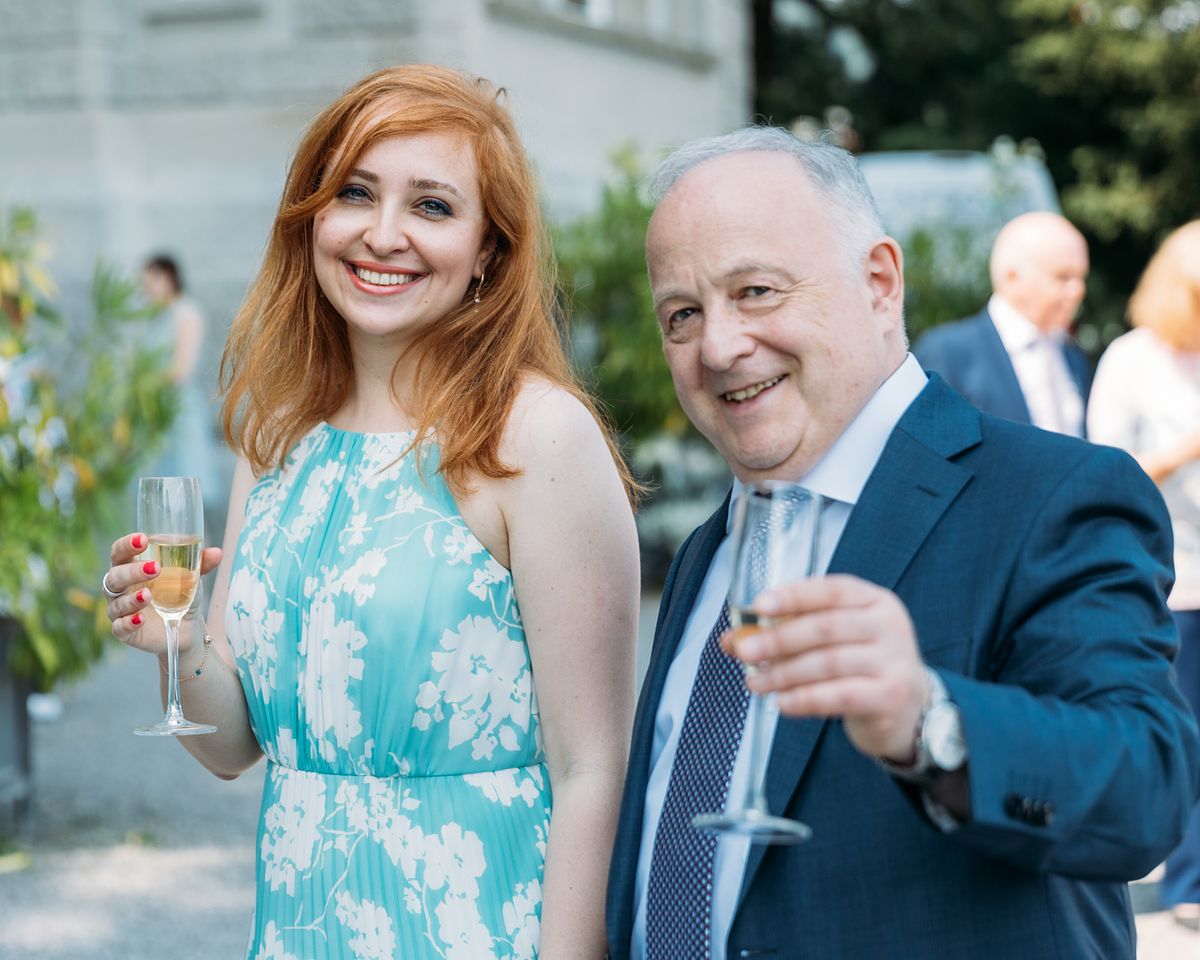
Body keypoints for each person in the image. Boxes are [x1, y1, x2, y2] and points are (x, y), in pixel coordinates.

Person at [605, 126, 1200, 959]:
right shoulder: (711, 549)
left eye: (758, 291)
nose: (719, 345)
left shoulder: (1049, 495)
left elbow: (1142, 796)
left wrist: (930, 720)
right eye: (682, 314)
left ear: (880, 283)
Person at [102, 64, 641, 958]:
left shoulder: (537, 436)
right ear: (311, 216)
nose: (383, 234)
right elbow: (235, 748)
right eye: (355, 192)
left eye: (431, 206)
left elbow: (595, 771)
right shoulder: (277, 434)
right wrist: (181, 645)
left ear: (488, 249)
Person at [1087, 220, 1200, 931]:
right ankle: (1188, 881)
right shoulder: (1132, 360)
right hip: (1173, 575)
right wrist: (1187, 448)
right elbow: (1109, 471)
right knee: (1184, 730)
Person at [913, 211, 1092, 436]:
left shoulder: (1072, 356)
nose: (1078, 290)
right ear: (1012, 277)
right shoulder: (948, 354)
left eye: (1081, 277)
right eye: (1063, 277)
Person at [140, 254, 223, 505]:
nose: (147, 291)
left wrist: (145, 382)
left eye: (150, 283)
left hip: (179, 412)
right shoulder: (157, 317)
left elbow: (182, 370)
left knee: (185, 495)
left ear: (168, 278)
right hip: (156, 414)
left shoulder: (187, 313)